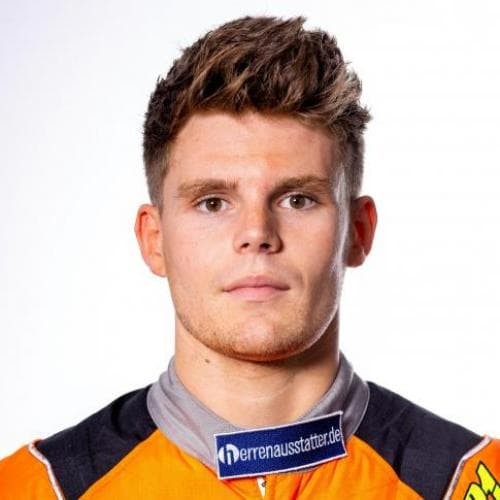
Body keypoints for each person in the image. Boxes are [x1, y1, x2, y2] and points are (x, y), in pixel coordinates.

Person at [0, 15, 498, 500]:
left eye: (297, 199)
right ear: (154, 240)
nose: (257, 233)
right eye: (213, 202)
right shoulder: (38, 489)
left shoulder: (465, 483)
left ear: (358, 232)